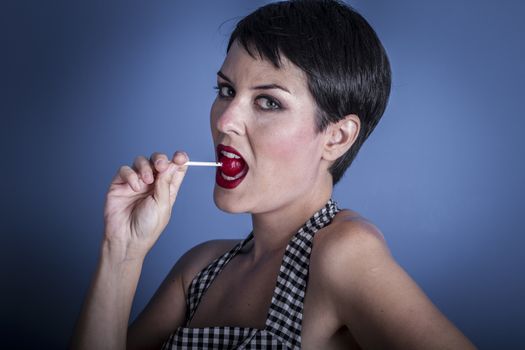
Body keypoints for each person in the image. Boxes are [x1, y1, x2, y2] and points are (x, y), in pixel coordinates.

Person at [71, 0, 476, 349]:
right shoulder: (197, 271)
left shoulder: (343, 254)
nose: (226, 120)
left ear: (336, 137)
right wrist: (121, 253)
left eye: (267, 101)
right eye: (226, 91)